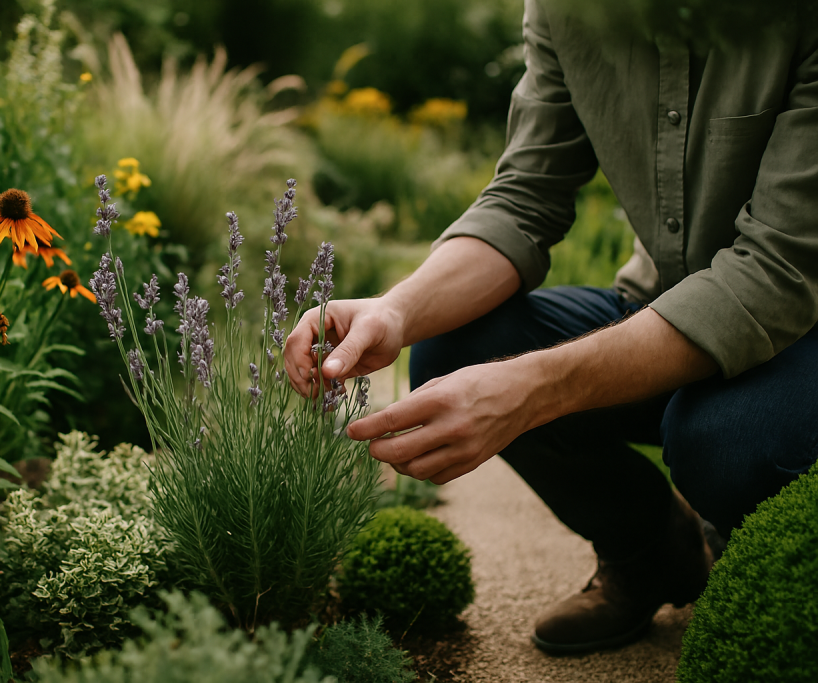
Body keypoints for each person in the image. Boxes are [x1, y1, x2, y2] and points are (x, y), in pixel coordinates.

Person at [284, 0, 818, 655]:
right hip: (663, 304)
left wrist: (533, 388)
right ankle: (652, 552)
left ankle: (769, 568)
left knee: (726, 439)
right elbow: (526, 197)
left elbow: (778, 269)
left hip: (805, 327)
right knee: (454, 351)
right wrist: (397, 309)